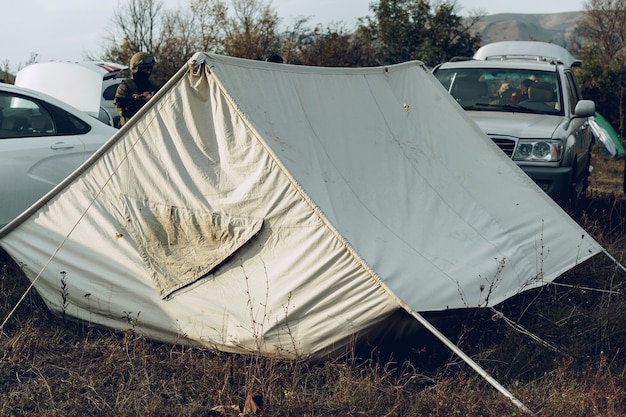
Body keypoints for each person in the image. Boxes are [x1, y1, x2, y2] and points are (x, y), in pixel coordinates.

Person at [114, 52, 159, 127]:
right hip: (132, 130)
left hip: (150, 127)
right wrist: (141, 100)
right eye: (145, 69)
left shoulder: (153, 85)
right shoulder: (126, 86)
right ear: (136, 69)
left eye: (150, 68)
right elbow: (121, 109)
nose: (148, 72)